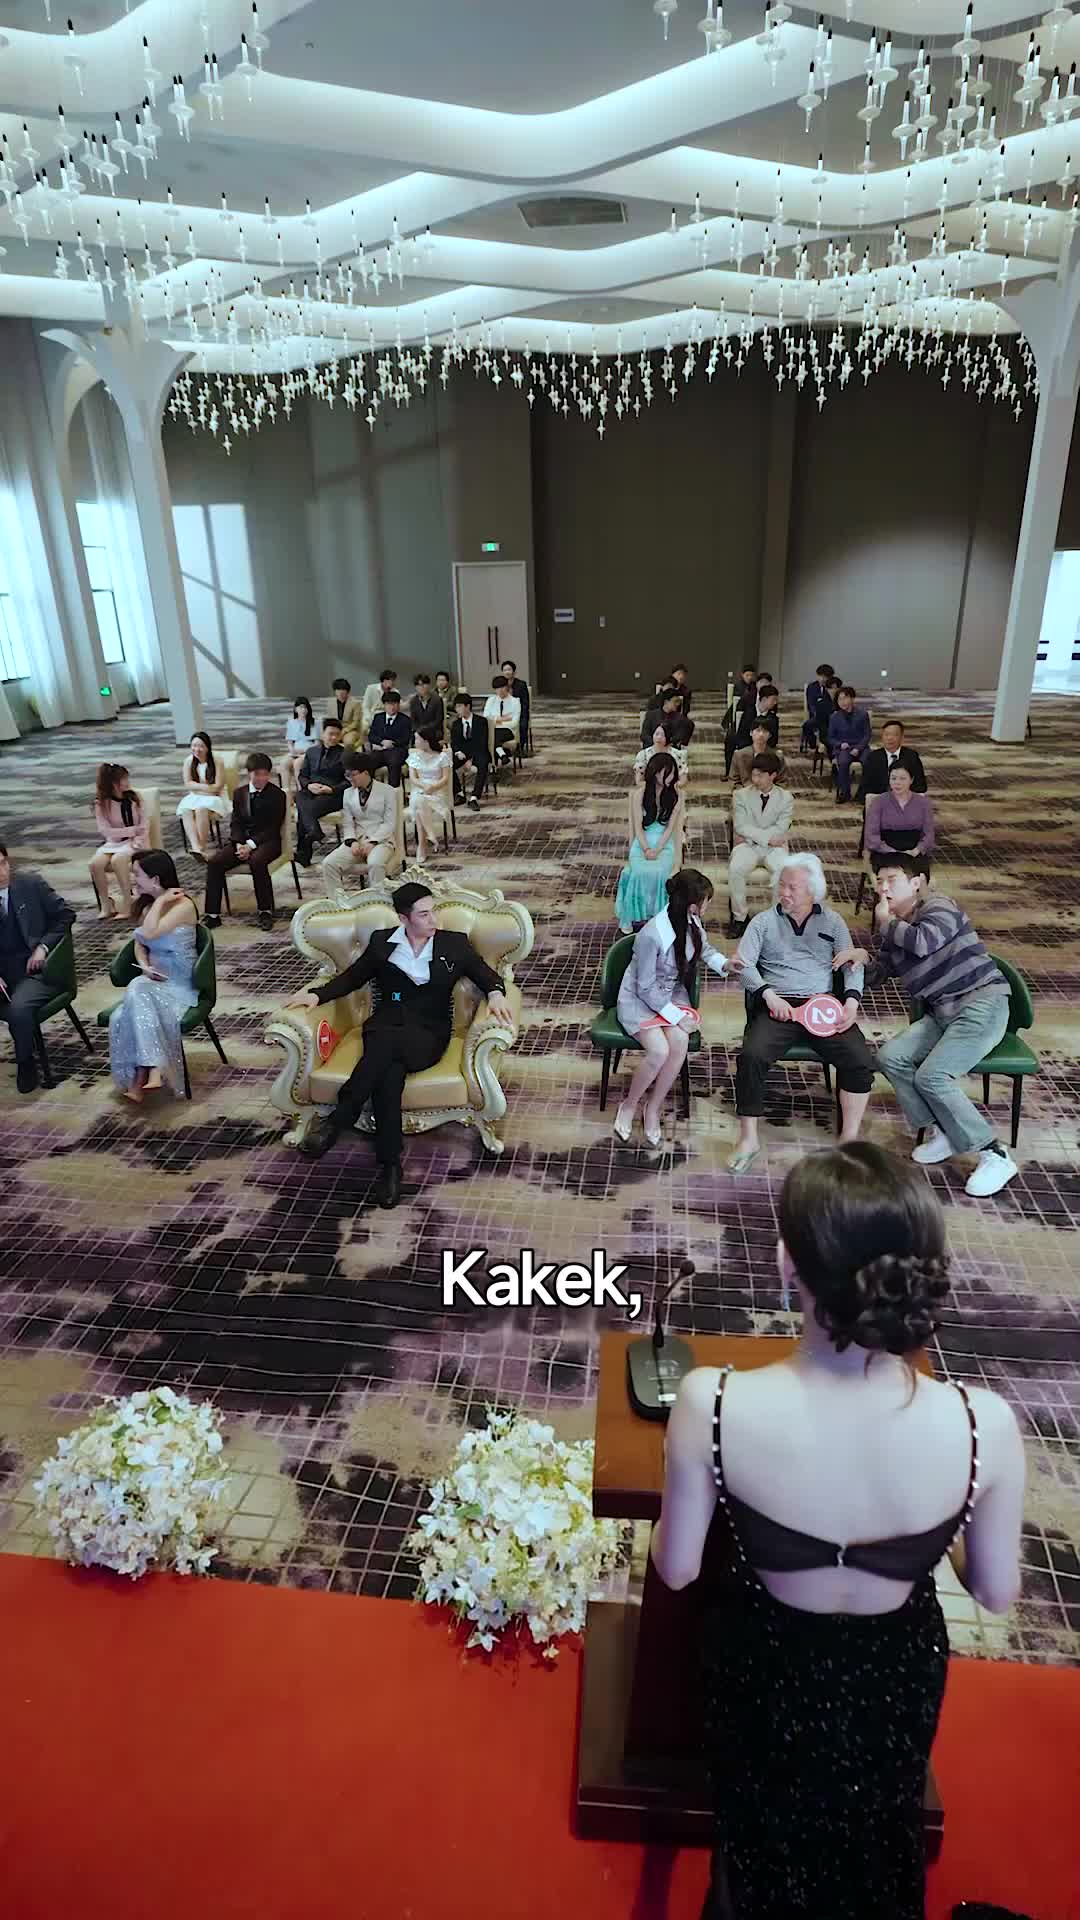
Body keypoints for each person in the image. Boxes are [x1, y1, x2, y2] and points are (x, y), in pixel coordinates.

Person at [651, 1141, 1024, 1920]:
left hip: (764, 1663)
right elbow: (995, 1591)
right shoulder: (982, 1424)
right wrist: (940, 1521)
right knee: (878, 1834)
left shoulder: (709, 1402)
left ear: (787, 1263)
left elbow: (678, 1569)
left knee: (756, 1836)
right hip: (896, 1671)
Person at [287, 881, 515, 1206]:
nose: (434, 919)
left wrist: (495, 994)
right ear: (403, 918)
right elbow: (352, 977)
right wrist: (316, 995)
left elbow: (485, 974)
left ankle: (341, 1118)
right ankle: (389, 1165)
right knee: (389, 1074)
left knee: (386, 1054)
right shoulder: (383, 943)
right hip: (386, 1023)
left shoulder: (453, 943)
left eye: (433, 911)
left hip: (429, 1031)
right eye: (424, 914)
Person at [838, 854, 1019, 1198]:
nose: (882, 888)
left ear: (916, 883)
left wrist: (885, 923)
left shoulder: (939, 907)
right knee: (891, 1057)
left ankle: (994, 1153)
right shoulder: (896, 928)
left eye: (891, 879)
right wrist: (861, 961)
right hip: (942, 1012)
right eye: (879, 881)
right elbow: (882, 971)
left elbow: (923, 942)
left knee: (932, 1077)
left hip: (982, 1004)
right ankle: (943, 1131)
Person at [729, 852, 874, 1173]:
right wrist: (768, 995)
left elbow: (852, 963)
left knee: (860, 1061)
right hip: (778, 1004)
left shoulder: (833, 922)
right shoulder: (763, 922)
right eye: (781, 885)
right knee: (751, 1056)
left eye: (792, 887)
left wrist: (851, 1001)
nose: (784, 893)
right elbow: (742, 965)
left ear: (813, 891)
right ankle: (748, 1138)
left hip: (822, 1005)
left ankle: (848, 1139)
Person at [613, 868, 735, 1147]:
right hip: (639, 998)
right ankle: (629, 1105)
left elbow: (704, 950)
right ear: (693, 905)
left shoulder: (692, 921)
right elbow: (645, 987)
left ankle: (653, 1108)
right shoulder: (651, 935)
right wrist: (676, 1016)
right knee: (659, 1051)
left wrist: (726, 964)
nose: (708, 906)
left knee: (679, 1042)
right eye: (706, 901)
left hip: (671, 992)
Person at [108, 850, 198, 1104]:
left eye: (137, 874)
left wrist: (160, 902)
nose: (133, 879)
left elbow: (149, 933)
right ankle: (149, 1071)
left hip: (179, 985)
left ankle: (143, 1076)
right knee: (123, 1010)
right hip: (153, 983)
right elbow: (140, 943)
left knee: (136, 990)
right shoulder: (147, 906)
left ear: (155, 879)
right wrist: (145, 966)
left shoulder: (183, 906)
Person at [0, 843, 75, 1094]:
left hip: (37, 971)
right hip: (3, 972)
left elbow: (66, 915)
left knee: (18, 1009)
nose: (1, 872)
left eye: (2, 863)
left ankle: (26, 1062)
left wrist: (43, 947)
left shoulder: (30, 885)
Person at [202, 752, 287, 933]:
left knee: (257, 861)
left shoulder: (277, 795)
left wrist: (251, 845)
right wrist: (239, 843)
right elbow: (236, 823)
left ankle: (265, 911)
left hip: (268, 842)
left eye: (265, 774)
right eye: (257, 774)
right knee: (215, 863)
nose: (261, 778)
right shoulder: (239, 793)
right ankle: (212, 914)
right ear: (249, 773)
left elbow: (273, 828)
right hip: (242, 842)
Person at [615, 752, 684, 933]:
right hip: (642, 841)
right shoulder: (640, 795)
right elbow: (638, 827)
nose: (670, 777)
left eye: (672, 773)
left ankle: (659, 916)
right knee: (639, 872)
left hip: (664, 842)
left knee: (661, 872)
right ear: (655, 772)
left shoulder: (676, 795)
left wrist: (658, 849)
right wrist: (646, 849)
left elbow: (670, 828)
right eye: (666, 773)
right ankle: (634, 916)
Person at [728, 752, 793, 935]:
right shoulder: (740, 795)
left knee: (782, 870)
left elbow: (781, 827)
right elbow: (741, 826)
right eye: (754, 775)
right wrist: (767, 838)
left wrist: (758, 835)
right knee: (735, 869)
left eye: (760, 776)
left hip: (774, 848)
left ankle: (775, 919)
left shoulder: (786, 798)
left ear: (773, 775)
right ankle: (740, 917)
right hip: (748, 846)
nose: (755, 780)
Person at [321, 752, 397, 896]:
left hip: (381, 840)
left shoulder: (387, 791)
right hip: (357, 840)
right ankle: (337, 902)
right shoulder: (348, 793)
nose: (349, 778)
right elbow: (348, 823)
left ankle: (378, 901)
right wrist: (352, 841)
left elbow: (389, 823)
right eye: (347, 775)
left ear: (366, 773)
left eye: (352, 774)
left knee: (375, 863)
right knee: (329, 863)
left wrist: (373, 842)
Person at [91, 764, 148, 918]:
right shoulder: (102, 803)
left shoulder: (135, 798)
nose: (127, 782)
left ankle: (128, 903)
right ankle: (106, 904)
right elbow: (105, 831)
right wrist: (131, 830)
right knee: (95, 864)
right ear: (113, 783)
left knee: (118, 860)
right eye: (123, 779)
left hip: (136, 841)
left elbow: (144, 825)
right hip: (114, 842)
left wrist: (136, 837)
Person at [295, 717, 347, 866]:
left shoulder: (344, 754)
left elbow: (349, 781)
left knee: (304, 812)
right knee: (300, 796)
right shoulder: (312, 752)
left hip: (333, 795)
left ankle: (304, 851)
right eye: (330, 734)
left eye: (337, 734)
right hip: (312, 790)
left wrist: (332, 789)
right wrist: (309, 785)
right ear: (323, 734)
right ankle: (314, 832)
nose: (334, 737)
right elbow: (302, 776)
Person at [864, 764, 935, 870]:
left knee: (916, 875)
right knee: (894, 875)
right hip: (885, 853)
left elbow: (929, 835)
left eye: (902, 778)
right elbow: (871, 835)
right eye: (893, 778)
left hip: (914, 853)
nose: (897, 783)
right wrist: (889, 850)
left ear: (911, 780)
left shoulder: (923, 803)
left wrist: (917, 850)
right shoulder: (879, 802)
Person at [175, 731, 229, 857]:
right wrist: (206, 787)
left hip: (215, 797)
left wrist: (198, 787)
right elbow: (188, 784)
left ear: (207, 748)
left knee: (201, 809)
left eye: (200, 746)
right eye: (194, 746)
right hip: (195, 796)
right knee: (186, 810)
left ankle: (202, 846)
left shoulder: (217, 761)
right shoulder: (188, 761)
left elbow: (218, 786)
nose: (197, 750)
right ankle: (196, 847)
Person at [405, 723, 453, 861]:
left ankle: (423, 845)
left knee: (418, 806)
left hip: (437, 792)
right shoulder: (414, 757)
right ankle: (429, 836)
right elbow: (413, 778)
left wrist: (433, 787)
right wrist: (424, 786)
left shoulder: (442, 757)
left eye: (417, 739)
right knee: (419, 800)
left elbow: (445, 778)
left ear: (426, 741)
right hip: (420, 789)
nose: (415, 742)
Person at [861, 719, 928, 799]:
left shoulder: (912, 756)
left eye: (895, 735)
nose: (890, 738)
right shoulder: (873, 757)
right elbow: (866, 786)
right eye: (886, 735)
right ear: (882, 737)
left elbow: (921, 785)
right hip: (881, 799)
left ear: (902, 738)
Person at [827, 685, 871, 802]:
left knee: (869, 762)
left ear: (852, 699)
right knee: (843, 762)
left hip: (860, 746)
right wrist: (840, 744)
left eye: (845, 698)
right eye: (839, 699)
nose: (842, 702)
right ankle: (845, 793)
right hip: (844, 747)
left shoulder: (862, 714)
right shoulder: (834, 717)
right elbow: (830, 738)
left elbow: (867, 735)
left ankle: (862, 793)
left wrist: (858, 748)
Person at [450, 692, 490, 809]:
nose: (457, 710)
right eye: (456, 707)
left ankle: (474, 797)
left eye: (459, 706)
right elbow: (454, 742)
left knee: (483, 763)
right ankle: (459, 793)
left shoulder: (481, 721)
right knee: (447, 763)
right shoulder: (456, 724)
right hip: (462, 753)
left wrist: (471, 759)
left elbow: (482, 742)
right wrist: (458, 752)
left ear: (467, 706)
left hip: (479, 752)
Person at [368, 688, 412, 787]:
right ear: (384, 705)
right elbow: (371, 736)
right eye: (389, 704)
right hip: (380, 750)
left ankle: (393, 790)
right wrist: (382, 742)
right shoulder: (378, 718)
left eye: (395, 704)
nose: (392, 707)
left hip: (397, 750)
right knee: (368, 760)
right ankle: (370, 788)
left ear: (399, 705)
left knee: (394, 762)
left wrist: (392, 744)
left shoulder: (405, 720)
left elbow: (406, 738)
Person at [731, 723, 786, 790]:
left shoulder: (777, 756)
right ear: (751, 733)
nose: (761, 734)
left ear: (770, 735)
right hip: (746, 793)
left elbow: (781, 781)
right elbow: (734, 781)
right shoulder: (739, 755)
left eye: (765, 731)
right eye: (758, 730)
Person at [483, 674, 521, 766]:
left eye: (502, 687)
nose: (500, 690)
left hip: (508, 730)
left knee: (491, 737)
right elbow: (486, 717)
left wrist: (496, 721)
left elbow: (514, 723)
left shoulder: (515, 702)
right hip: (492, 729)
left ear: (507, 687)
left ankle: (493, 764)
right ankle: (502, 755)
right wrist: (502, 719)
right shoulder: (491, 700)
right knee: (489, 735)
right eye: (497, 688)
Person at [801, 661, 835, 750]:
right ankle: (813, 745)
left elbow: (834, 705)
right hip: (816, 716)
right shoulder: (812, 687)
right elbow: (811, 703)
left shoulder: (832, 687)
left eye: (826, 677)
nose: (823, 679)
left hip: (829, 717)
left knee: (826, 731)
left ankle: (828, 748)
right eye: (821, 676)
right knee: (807, 726)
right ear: (817, 675)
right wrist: (815, 713)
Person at [285, 698, 318, 784]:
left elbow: (317, 743)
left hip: (308, 752)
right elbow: (290, 743)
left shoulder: (314, 722)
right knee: (284, 763)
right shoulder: (291, 723)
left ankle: (300, 789)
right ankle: (286, 790)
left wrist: (304, 751)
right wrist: (293, 750)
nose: (303, 710)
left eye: (305, 707)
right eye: (300, 707)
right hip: (295, 752)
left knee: (297, 764)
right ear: (295, 709)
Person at [500, 658, 531, 748]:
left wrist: (519, 713)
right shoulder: (500, 685)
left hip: (520, 712)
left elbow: (525, 703)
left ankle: (519, 747)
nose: (507, 672)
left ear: (514, 671)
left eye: (509, 669)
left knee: (522, 725)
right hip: (504, 713)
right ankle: (503, 747)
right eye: (505, 670)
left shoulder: (521, 684)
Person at [326, 677, 364, 748]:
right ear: (335, 691)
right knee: (325, 738)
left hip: (350, 730)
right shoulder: (330, 703)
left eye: (343, 691)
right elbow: (330, 720)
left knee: (349, 741)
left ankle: (346, 755)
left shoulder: (355, 703)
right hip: (335, 729)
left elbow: (356, 723)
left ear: (348, 692)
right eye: (338, 690)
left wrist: (344, 731)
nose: (340, 693)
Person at [361, 668, 399, 735]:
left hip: (386, 716)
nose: (393, 683)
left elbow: (397, 708)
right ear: (384, 680)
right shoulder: (371, 688)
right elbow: (365, 706)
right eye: (391, 680)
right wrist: (369, 718)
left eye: (394, 680)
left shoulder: (395, 692)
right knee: (365, 727)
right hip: (371, 715)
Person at [409, 673, 444, 737]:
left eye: (424, 684)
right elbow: (413, 721)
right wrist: (418, 731)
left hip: (434, 731)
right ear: (415, 687)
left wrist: (424, 729)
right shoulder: (413, 701)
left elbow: (438, 720)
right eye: (419, 685)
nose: (421, 687)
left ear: (429, 685)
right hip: (419, 732)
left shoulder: (437, 700)